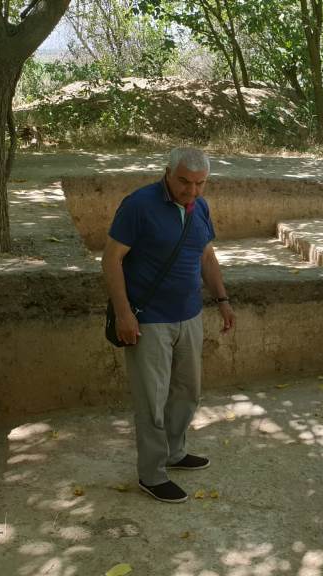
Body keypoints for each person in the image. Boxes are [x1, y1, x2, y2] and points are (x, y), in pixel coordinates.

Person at [102, 147, 236, 503]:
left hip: (189, 314)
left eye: (199, 184)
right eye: (184, 182)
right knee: (152, 400)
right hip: (149, 320)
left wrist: (222, 300)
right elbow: (111, 259)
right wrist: (124, 313)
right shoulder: (138, 205)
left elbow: (206, 255)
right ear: (167, 173)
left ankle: (175, 452)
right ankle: (152, 473)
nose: (191, 191)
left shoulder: (201, 208)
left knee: (187, 392)